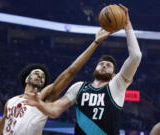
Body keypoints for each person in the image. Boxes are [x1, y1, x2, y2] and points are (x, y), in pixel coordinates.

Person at [24, 4, 142, 135]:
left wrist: (127, 25)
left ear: (114, 75)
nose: (104, 65)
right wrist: (39, 104)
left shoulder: (117, 86)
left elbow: (136, 56)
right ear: (95, 67)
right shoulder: (79, 87)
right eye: (101, 63)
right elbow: (55, 109)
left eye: (108, 66)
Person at [0, 27, 111, 135]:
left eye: (43, 77)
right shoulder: (11, 102)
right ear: (27, 79)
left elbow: (70, 72)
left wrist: (95, 42)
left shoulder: (43, 97)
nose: (40, 77)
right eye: (36, 73)